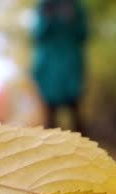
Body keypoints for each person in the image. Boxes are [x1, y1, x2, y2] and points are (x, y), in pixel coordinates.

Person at [31, 0, 88, 134]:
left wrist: (71, 18)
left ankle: (86, 150)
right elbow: (38, 36)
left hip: (70, 64)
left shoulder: (75, 6)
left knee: (75, 108)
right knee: (50, 112)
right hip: (49, 66)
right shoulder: (44, 5)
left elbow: (83, 34)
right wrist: (47, 19)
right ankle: (49, 150)